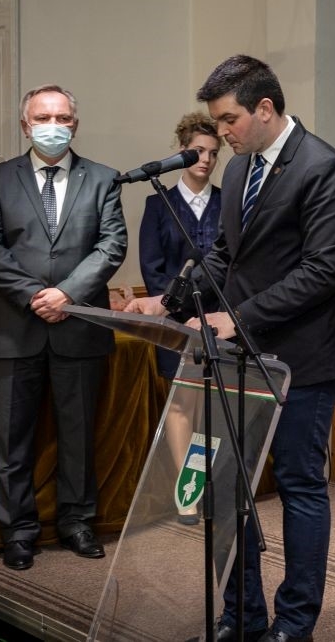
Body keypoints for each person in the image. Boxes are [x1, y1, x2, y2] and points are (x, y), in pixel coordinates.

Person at [126, 55, 335, 642]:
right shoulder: (242, 169)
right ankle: (242, 615)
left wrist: (236, 318)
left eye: (229, 119)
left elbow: (322, 271)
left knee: (300, 486)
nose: (221, 132)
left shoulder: (322, 167)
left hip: (301, 358)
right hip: (237, 358)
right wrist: (168, 303)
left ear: (265, 108)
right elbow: (225, 255)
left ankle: (294, 624)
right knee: (223, 484)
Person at [0, 84, 128, 571]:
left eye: (62, 118)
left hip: (79, 325)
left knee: (78, 436)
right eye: (43, 118)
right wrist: (36, 296)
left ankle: (77, 523)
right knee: (11, 439)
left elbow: (112, 245)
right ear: (26, 125)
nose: (53, 126)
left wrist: (68, 295)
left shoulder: (103, 178)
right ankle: (17, 530)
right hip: (14, 327)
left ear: (75, 125)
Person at [138, 112, 223, 525]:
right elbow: (151, 268)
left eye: (213, 153)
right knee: (181, 403)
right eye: (197, 151)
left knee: (211, 405)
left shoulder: (228, 202)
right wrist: (175, 307)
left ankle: (206, 482)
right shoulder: (158, 205)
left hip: (219, 318)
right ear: (181, 151)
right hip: (173, 320)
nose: (205, 160)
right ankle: (187, 490)